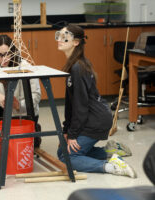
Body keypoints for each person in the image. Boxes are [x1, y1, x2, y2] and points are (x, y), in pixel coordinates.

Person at [56, 24, 136, 178]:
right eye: (58, 35)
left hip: (94, 120)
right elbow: (71, 104)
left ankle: (112, 166)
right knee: (62, 151)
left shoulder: (77, 68)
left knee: (67, 158)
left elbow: (81, 106)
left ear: (76, 42)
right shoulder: (76, 64)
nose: (60, 39)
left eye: (65, 36)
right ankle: (109, 151)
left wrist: (72, 135)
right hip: (93, 117)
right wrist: (66, 131)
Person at [0, 34, 41, 153]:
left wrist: (18, 105)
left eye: (8, 54)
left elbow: (36, 96)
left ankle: (35, 130)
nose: (4, 59)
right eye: (0, 55)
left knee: (21, 147)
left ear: (13, 52)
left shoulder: (25, 67)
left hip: (25, 112)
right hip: (4, 110)